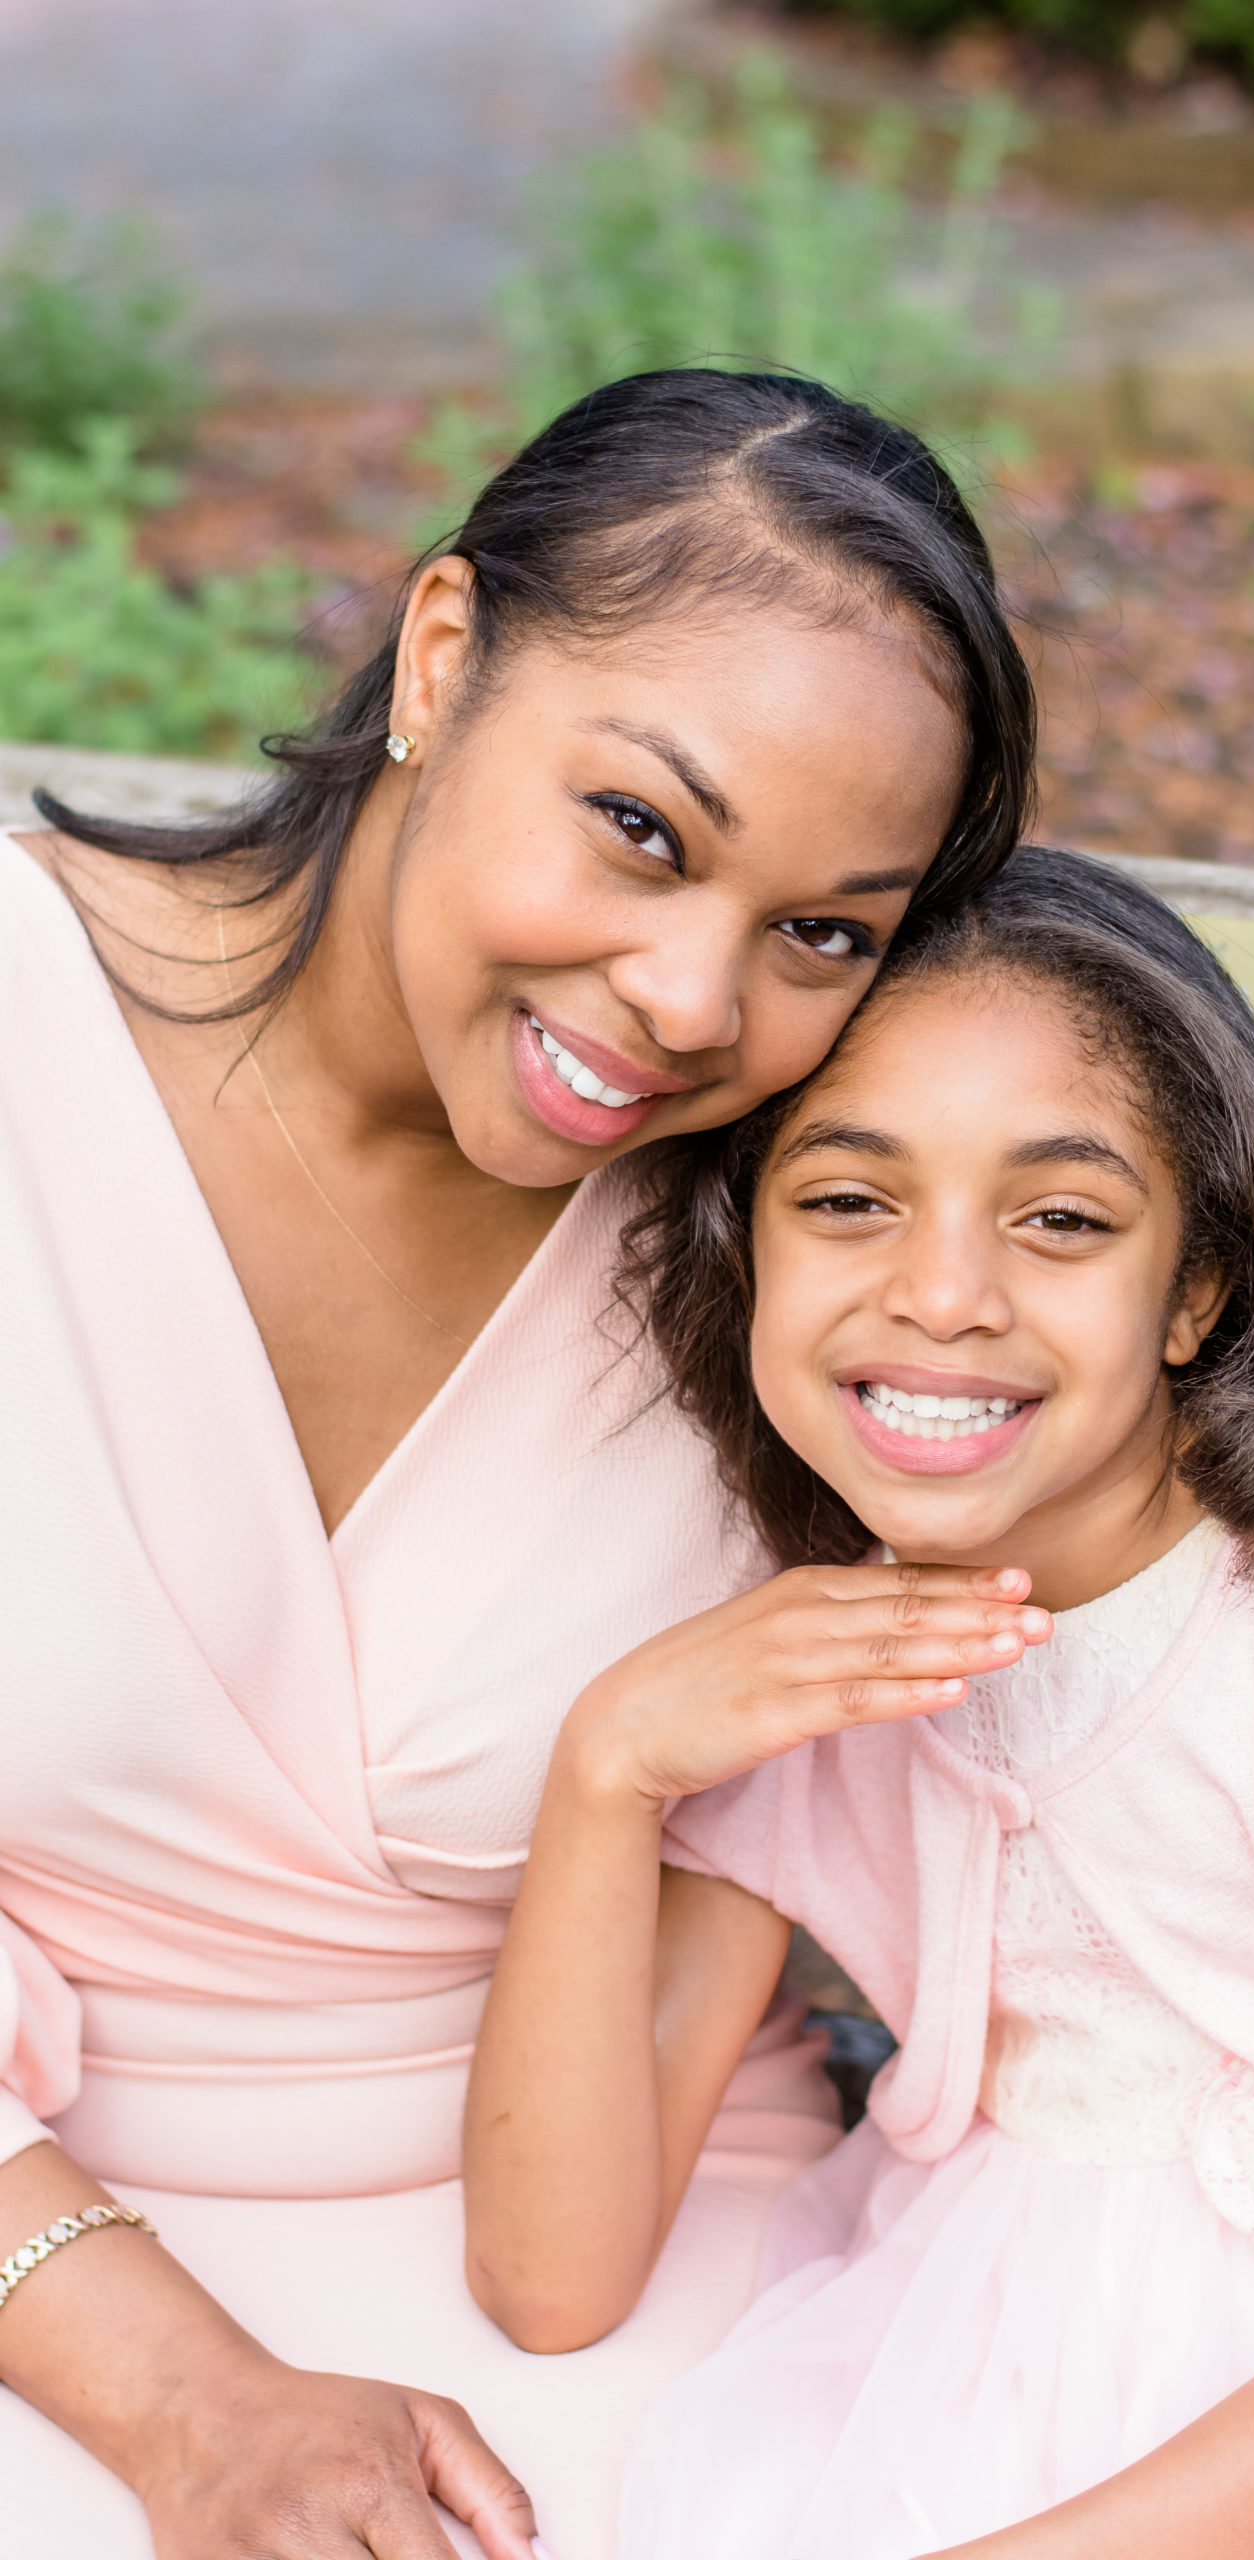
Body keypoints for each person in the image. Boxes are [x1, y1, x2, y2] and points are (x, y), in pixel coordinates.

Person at [0, 369, 1052, 2560]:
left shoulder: (814, 1219)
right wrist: (190, 2405)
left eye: (820, 931)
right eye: (642, 829)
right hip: (56, 2288)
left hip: (621, 2268)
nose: (687, 1000)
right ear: (444, 654)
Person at [466, 848, 1254, 2559]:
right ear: (747, 1242)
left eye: (1060, 1219)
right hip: (1008, 2324)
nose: (947, 1292)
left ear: (1196, 1286)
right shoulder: (809, 1652)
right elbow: (553, 2275)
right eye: (847, 1201)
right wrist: (607, 1772)